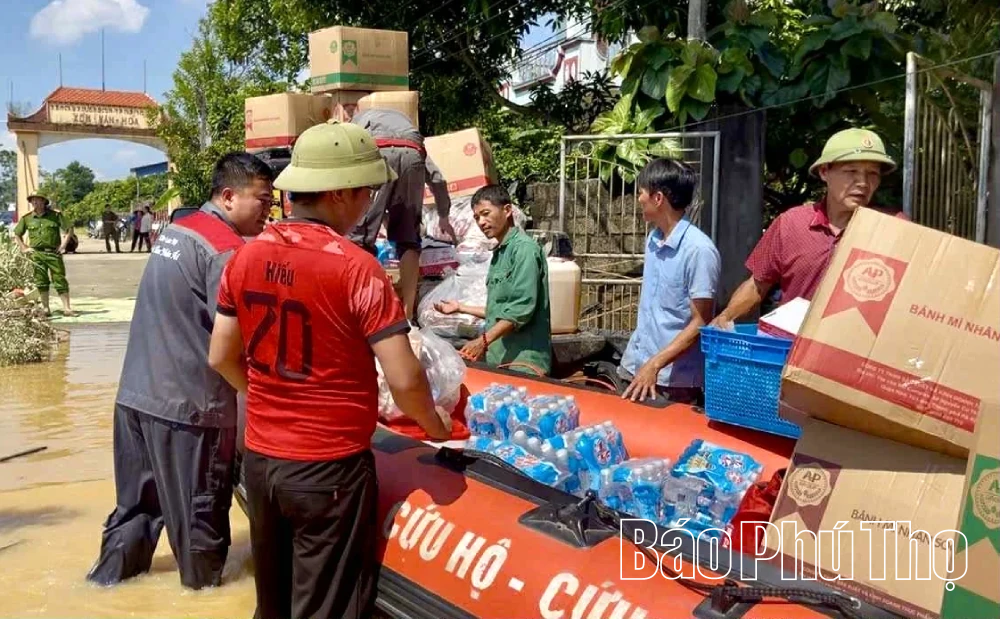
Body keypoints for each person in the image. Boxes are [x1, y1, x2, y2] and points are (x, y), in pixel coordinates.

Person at [207, 120, 451, 619]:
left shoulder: (245, 257)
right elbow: (404, 380)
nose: (369, 205)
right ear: (339, 193)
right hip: (329, 470)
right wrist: (435, 428)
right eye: (365, 192)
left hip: (261, 461)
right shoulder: (356, 267)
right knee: (327, 606)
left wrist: (269, 400)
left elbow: (220, 357)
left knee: (273, 601)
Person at [85, 153, 275, 590]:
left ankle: (104, 589)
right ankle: (202, 599)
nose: (268, 210)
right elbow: (238, 344)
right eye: (262, 200)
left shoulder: (179, 230)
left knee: (135, 512)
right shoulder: (228, 252)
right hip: (190, 412)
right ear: (228, 196)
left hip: (134, 399)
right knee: (201, 526)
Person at [712, 128, 904, 327]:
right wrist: (725, 317)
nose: (863, 183)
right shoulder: (791, 224)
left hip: (858, 351)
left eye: (872, 174)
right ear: (824, 172)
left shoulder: (894, 228)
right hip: (793, 350)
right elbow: (757, 285)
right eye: (851, 172)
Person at [617, 159, 720, 405]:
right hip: (635, 366)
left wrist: (655, 364)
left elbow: (701, 322)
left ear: (658, 198)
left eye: (641, 192)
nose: (639, 199)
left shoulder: (699, 251)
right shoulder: (653, 241)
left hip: (671, 382)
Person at [348, 108, 456, 320]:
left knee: (359, 238)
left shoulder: (357, 122)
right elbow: (436, 178)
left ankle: (363, 308)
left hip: (377, 152)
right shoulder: (406, 126)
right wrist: (444, 215)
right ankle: (407, 314)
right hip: (412, 154)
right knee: (408, 239)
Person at [434, 185, 553, 376]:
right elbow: (499, 311)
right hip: (500, 360)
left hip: (524, 363)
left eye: (486, 213)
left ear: (507, 210)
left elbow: (520, 310)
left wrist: (482, 341)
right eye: (476, 218)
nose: (481, 222)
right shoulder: (499, 253)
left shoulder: (524, 250)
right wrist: (460, 307)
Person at [13, 193, 74, 316]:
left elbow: (69, 229)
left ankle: (67, 309)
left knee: (60, 279)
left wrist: (63, 246)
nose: (35, 202)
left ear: (43, 202)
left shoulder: (55, 215)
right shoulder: (27, 218)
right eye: (32, 200)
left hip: (53, 253)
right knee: (41, 281)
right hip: (37, 254)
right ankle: (46, 308)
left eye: (37, 200)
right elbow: (17, 234)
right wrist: (24, 248)